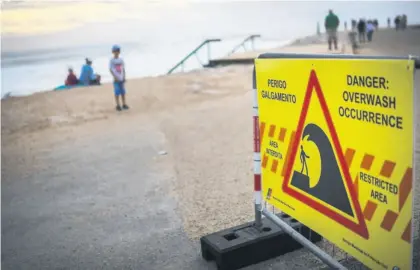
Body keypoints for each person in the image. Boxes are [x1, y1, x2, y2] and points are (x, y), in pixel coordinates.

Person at [109, 45, 129, 111]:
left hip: (121, 78)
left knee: (123, 92)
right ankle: (118, 105)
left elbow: (123, 69)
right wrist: (115, 77)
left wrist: (124, 77)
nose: (116, 52)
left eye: (117, 51)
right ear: (113, 52)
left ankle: (124, 104)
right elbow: (111, 69)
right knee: (117, 92)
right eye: (115, 51)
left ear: (119, 52)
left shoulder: (121, 59)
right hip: (116, 79)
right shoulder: (112, 60)